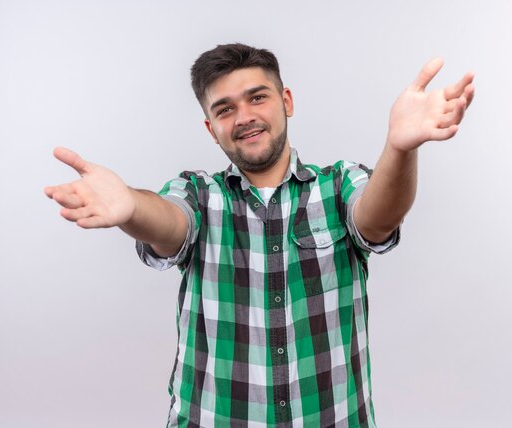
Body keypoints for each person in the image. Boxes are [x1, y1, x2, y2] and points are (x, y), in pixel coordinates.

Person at [45, 43, 474, 427]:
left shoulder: (338, 184)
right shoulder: (198, 193)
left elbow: (377, 218)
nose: (244, 117)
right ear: (211, 128)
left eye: (257, 97)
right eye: (225, 108)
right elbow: (169, 222)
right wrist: (133, 208)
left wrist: (399, 149)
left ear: (286, 101)